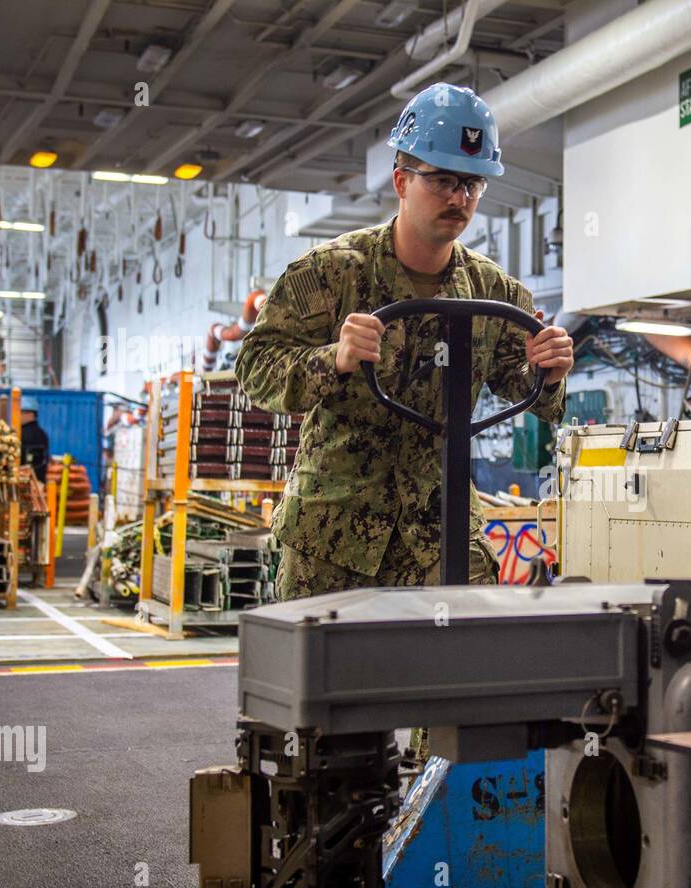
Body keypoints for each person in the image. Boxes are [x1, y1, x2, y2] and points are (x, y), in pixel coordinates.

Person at [238, 83, 574, 600]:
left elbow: (532, 391)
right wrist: (336, 359)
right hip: (334, 542)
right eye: (442, 180)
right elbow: (256, 369)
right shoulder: (331, 274)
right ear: (401, 180)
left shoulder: (494, 294)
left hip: (441, 541)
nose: (459, 199)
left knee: (448, 678)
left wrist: (547, 372)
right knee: (322, 677)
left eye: (472, 184)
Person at [20, 396, 50, 483]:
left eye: (20, 412)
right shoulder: (42, 434)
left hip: (25, 483)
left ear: (30, 414)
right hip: (39, 481)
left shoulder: (22, 434)